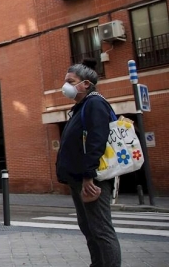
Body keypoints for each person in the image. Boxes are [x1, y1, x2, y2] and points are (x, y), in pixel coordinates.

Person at [56, 59, 122, 267]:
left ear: (85, 84)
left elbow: (96, 140)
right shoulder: (80, 107)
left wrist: (88, 176)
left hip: (91, 179)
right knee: (88, 228)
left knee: (101, 229)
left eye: (71, 81)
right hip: (79, 178)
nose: (65, 85)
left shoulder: (94, 103)